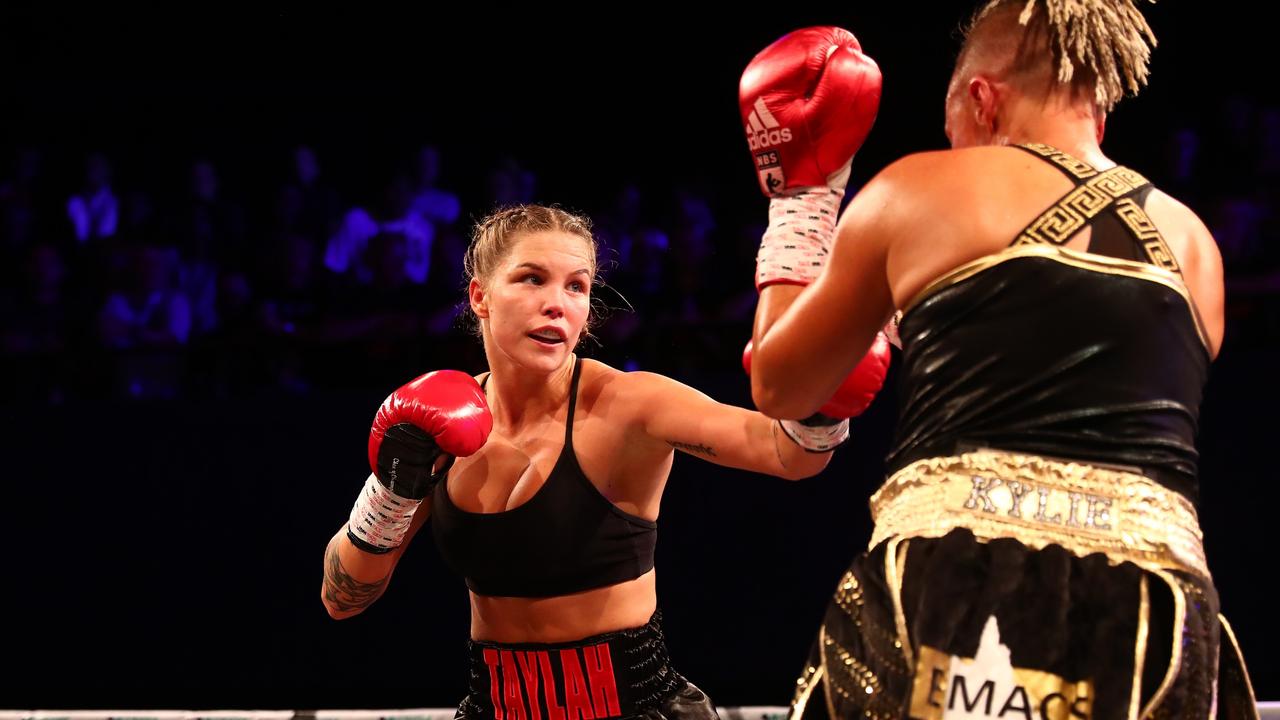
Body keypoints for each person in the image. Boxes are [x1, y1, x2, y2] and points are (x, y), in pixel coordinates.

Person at [740, 5, 1257, 720]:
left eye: (953, 121)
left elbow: (781, 382)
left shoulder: (922, 189)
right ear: (1098, 114)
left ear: (981, 101)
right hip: (1159, 611)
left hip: (963, 581)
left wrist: (803, 197)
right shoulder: (1194, 244)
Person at [319, 204, 891, 720]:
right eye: (532, 278)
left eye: (577, 286)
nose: (557, 303)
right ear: (480, 296)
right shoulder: (439, 421)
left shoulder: (627, 405)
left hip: (633, 706)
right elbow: (343, 597)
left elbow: (786, 453)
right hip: (494, 709)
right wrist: (392, 491)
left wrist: (826, 399)